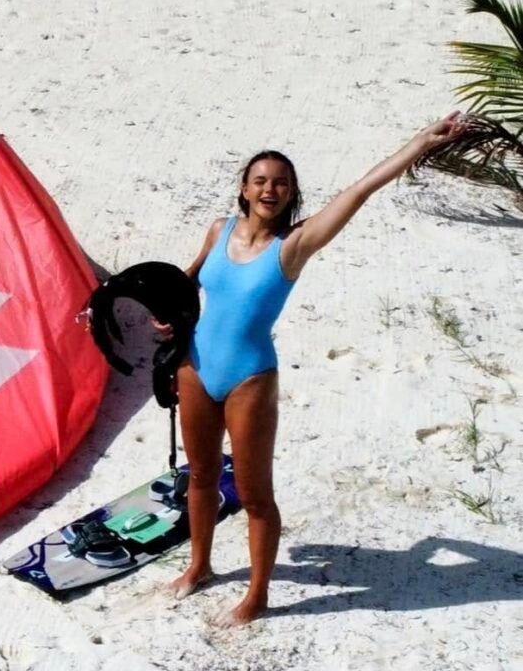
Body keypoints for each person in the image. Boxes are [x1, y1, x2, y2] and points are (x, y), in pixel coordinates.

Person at [159, 113, 467, 625]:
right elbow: (186, 281)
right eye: (260, 180)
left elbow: (359, 191)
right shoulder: (219, 230)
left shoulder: (294, 245)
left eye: (281, 183)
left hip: (249, 378)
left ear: (291, 193)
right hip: (195, 366)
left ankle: (256, 597)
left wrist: (418, 144)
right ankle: (199, 567)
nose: (270, 190)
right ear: (244, 188)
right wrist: (165, 314)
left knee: (255, 496)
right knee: (201, 477)